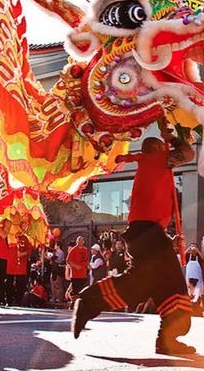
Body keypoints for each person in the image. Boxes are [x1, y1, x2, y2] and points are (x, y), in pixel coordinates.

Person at [72, 133, 196, 355]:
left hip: (147, 232)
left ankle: (92, 301)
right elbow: (188, 154)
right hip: (148, 232)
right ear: (159, 148)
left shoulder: (147, 164)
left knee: (145, 284)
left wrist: (166, 240)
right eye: (163, 147)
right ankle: (91, 301)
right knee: (169, 284)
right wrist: (177, 136)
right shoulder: (157, 159)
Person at [6, 234, 31, 306]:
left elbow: (29, 250)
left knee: (20, 284)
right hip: (10, 265)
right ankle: (9, 300)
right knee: (9, 283)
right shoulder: (8, 236)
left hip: (21, 266)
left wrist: (23, 253)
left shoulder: (25, 238)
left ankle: (18, 300)